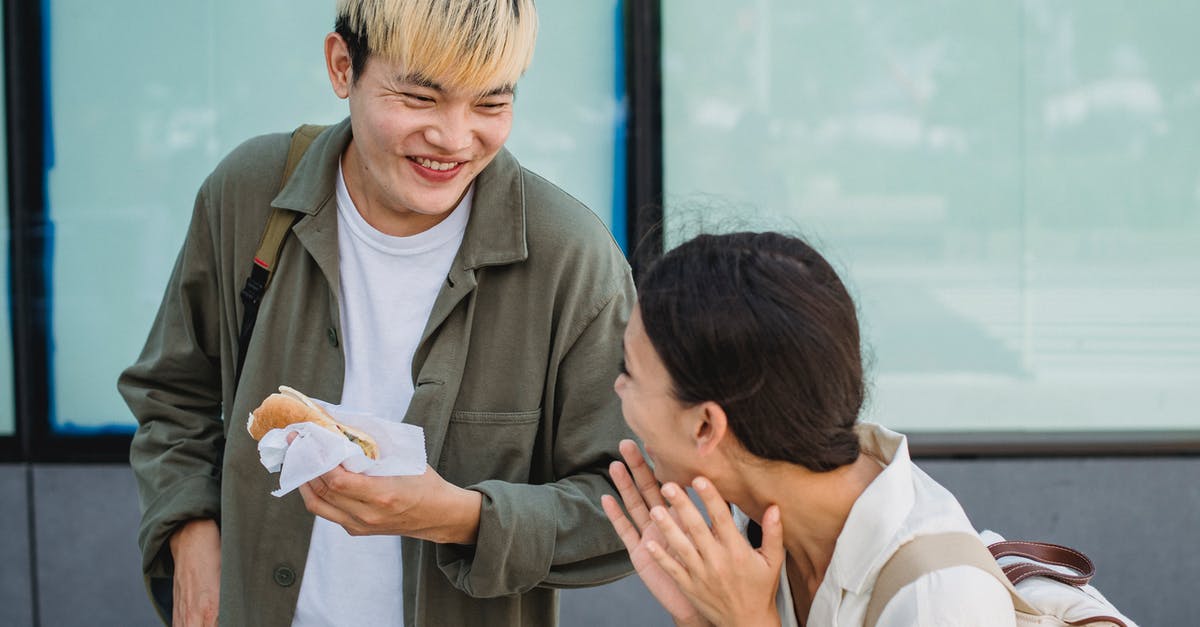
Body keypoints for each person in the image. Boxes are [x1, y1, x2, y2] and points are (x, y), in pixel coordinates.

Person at [119, 1, 636, 625]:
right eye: (420, 98)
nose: (454, 137)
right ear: (342, 67)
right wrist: (190, 529)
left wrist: (459, 517)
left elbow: (629, 502)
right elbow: (171, 394)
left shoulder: (570, 257)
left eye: (492, 104)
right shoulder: (249, 195)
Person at [602, 232, 1016, 626]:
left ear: (706, 426)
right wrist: (700, 620)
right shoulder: (747, 528)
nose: (618, 387)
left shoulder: (938, 601)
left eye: (630, 373)